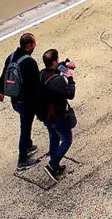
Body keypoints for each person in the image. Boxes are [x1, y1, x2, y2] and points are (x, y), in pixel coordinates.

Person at [0, 32, 41, 169]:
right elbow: (36, 85)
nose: (35, 45)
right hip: (26, 102)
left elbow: (3, 76)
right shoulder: (29, 63)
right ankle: (22, 160)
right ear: (28, 46)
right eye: (34, 43)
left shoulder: (11, 57)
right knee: (25, 127)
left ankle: (28, 146)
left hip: (15, 99)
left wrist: (1, 92)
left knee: (26, 124)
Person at [38, 48, 77, 180]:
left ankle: (54, 163)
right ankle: (52, 165)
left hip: (47, 115)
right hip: (58, 115)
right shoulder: (58, 81)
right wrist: (70, 78)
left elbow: (54, 70)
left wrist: (64, 64)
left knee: (54, 137)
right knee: (67, 140)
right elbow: (70, 94)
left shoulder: (42, 74)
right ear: (54, 61)